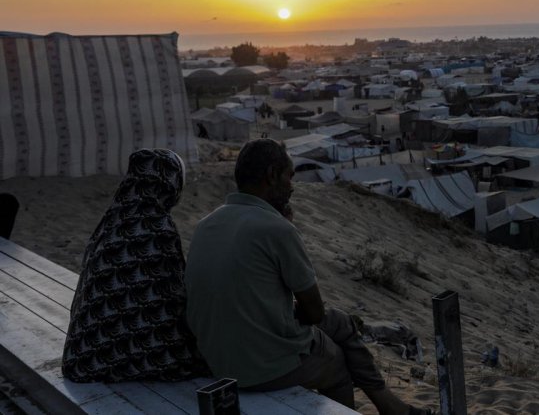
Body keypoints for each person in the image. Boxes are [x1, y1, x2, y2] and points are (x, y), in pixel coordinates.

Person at [186, 139, 412, 414]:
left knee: (341, 323)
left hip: (218, 357)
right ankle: (387, 405)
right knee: (339, 364)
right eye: (289, 176)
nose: (292, 186)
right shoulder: (276, 228)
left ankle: (388, 404)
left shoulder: (205, 225)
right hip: (259, 366)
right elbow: (314, 312)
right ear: (272, 175)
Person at [63, 149, 207, 382]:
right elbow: (175, 299)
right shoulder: (158, 227)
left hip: (84, 354)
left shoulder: (111, 220)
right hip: (136, 356)